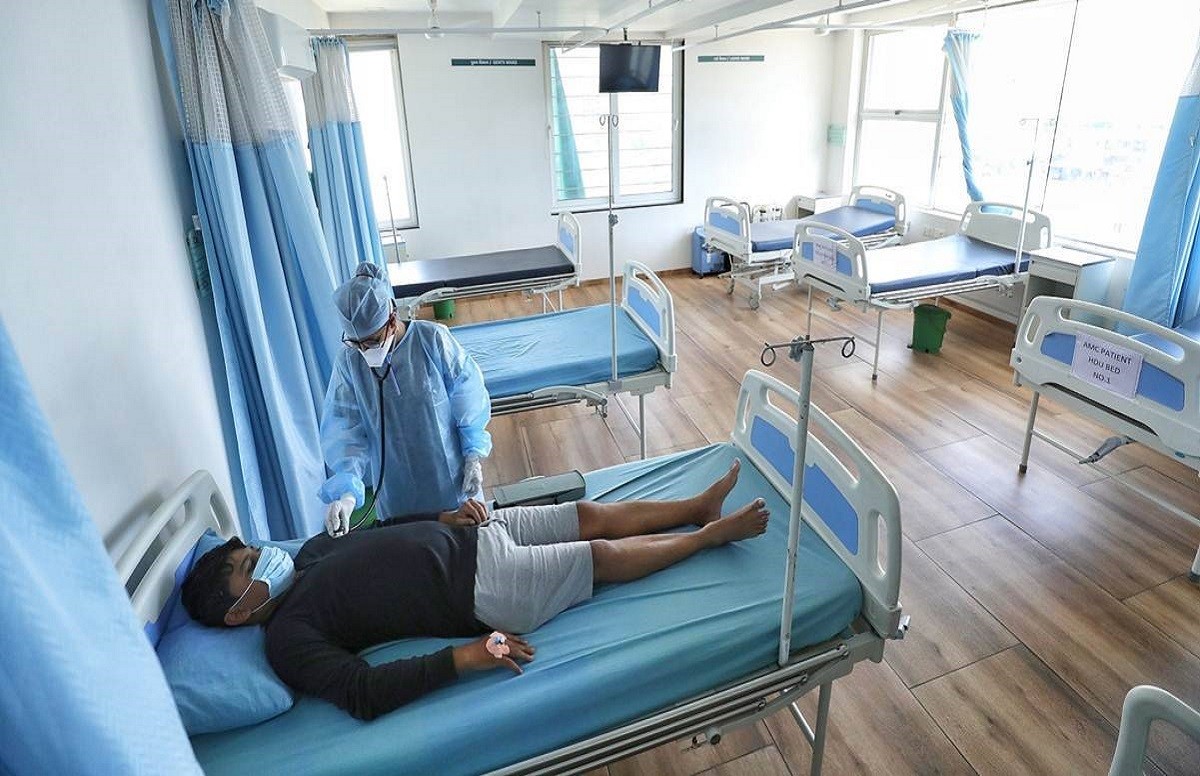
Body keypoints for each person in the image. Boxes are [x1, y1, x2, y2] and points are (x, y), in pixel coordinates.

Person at [181, 461, 768, 721]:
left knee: (588, 514)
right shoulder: (288, 638)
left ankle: (696, 506)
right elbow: (363, 691)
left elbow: (381, 529)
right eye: (250, 566)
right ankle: (709, 537)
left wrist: (442, 517)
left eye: (253, 551)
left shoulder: (305, 555)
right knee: (602, 557)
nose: (266, 557)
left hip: (476, 535)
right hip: (485, 588)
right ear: (237, 614)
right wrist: (464, 657)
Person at [320, 262, 491, 538]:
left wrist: (473, 454)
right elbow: (345, 434)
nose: (365, 350)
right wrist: (346, 496)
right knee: (408, 548)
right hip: (396, 491)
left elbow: (468, 395)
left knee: (467, 545)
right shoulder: (350, 362)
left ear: (392, 317)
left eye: (372, 341)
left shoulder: (431, 339)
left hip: (449, 478)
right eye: (356, 343)